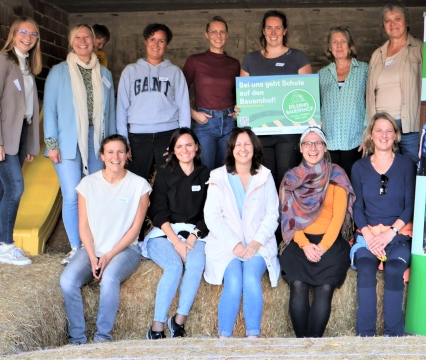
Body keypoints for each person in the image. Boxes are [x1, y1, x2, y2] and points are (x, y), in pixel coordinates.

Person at [59, 135, 150, 344]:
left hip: (126, 249)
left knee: (109, 279)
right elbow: (83, 225)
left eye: (120, 151)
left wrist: (108, 256)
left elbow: (135, 229)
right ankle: (77, 337)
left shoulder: (139, 185)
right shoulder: (88, 184)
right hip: (93, 248)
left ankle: (102, 336)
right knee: (67, 280)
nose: (115, 157)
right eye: (110, 152)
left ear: (128, 155)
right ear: (102, 156)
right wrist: (92, 256)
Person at [45, 24, 117, 265]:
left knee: (96, 193)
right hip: (67, 140)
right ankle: (77, 247)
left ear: (95, 41)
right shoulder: (59, 72)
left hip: (96, 139)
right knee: (72, 195)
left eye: (88, 36)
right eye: (78, 37)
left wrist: (113, 147)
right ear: (71, 41)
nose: (83, 40)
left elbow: (111, 113)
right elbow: (51, 109)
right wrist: (51, 143)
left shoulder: (105, 75)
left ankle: (95, 244)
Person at [0, 17, 41, 266]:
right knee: (15, 188)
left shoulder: (26, 65)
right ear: (13, 34)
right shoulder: (1, 60)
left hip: (20, 134)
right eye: (23, 32)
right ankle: (6, 244)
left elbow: (29, 109)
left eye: (33, 34)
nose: (28, 37)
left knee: (2, 190)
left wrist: (30, 144)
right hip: (0, 137)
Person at [203, 127, 281, 338]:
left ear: (254, 148)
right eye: (238, 144)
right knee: (234, 280)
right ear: (231, 149)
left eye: (247, 144)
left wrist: (256, 243)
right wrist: (235, 245)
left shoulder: (265, 176)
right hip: (226, 245)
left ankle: (252, 337)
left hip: (258, 244)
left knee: (250, 279)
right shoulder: (218, 176)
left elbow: (272, 214)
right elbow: (212, 216)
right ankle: (224, 338)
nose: (243, 149)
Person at [279, 126, 354, 338]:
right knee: (298, 285)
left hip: (329, 242)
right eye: (308, 143)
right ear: (301, 148)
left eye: (318, 143)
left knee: (324, 288)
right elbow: (288, 217)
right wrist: (304, 244)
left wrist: (321, 247)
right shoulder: (291, 179)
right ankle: (302, 345)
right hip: (299, 241)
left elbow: (338, 218)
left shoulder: (337, 175)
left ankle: (313, 346)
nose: (313, 148)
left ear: (325, 147)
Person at [350, 112, 415, 337]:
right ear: (371, 134)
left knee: (395, 269)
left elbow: (409, 206)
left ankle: (393, 335)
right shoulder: (359, 168)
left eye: (389, 130)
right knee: (366, 269)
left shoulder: (406, 164)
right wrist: (368, 236)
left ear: (396, 135)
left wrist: (390, 234)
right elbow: (357, 207)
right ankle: (365, 336)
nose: (384, 135)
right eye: (379, 130)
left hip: (398, 235)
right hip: (368, 235)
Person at [142, 128, 210, 339]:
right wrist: (177, 242)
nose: (185, 150)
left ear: (197, 146)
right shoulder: (164, 174)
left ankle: (178, 320)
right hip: (164, 233)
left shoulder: (207, 174)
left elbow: (212, 211)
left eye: (189, 145)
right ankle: (157, 326)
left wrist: (193, 236)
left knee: (196, 263)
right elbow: (157, 211)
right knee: (174, 266)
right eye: (179, 146)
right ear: (172, 150)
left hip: (195, 232)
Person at [240, 10, 312, 188]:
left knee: (287, 178)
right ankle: (269, 216)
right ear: (263, 31)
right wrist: (240, 108)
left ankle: (286, 215)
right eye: (269, 28)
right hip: (260, 133)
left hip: (288, 131)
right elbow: (244, 95)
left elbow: (308, 96)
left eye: (278, 28)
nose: (273, 33)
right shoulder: (251, 60)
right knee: (264, 180)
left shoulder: (298, 58)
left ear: (285, 31)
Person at [117, 23, 191, 182]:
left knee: (170, 180)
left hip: (168, 134)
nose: (156, 44)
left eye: (161, 41)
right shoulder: (130, 71)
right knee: (136, 182)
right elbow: (121, 108)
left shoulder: (175, 72)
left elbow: (184, 107)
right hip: (137, 136)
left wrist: (182, 140)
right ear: (145, 41)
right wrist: (124, 140)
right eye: (152, 39)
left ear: (167, 45)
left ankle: (166, 208)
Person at [365, 3, 423, 166]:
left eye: (397, 19)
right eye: (388, 20)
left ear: (406, 22)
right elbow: (370, 93)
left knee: (412, 169)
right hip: (382, 126)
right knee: (386, 170)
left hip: (410, 124)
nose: (393, 24)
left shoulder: (419, 49)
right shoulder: (377, 54)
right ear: (383, 25)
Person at [183, 16, 240, 170]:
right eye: (213, 32)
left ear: (227, 35)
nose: (218, 35)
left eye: (222, 32)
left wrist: (238, 110)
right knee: (204, 170)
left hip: (229, 123)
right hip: (205, 122)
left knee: (226, 171)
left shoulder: (234, 63)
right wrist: (192, 113)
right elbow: (180, 92)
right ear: (206, 35)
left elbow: (238, 94)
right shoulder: (195, 61)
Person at [318, 27, 368, 178]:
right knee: (332, 187)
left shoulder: (365, 70)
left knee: (353, 185)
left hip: (356, 140)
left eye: (343, 42)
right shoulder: (322, 74)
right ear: (329, 47)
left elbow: (371, 103)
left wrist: (368, 135)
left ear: (350, 45)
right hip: (329, 141)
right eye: (335, 42)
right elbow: (316, 107)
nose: (339, 46)